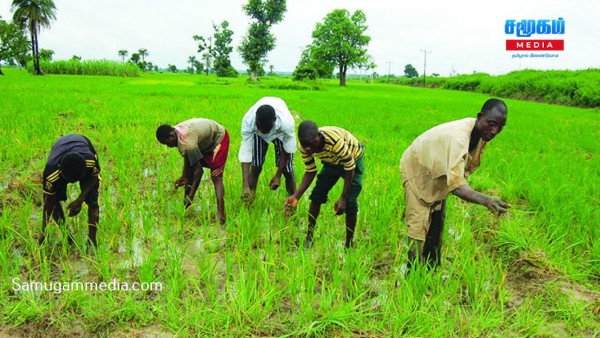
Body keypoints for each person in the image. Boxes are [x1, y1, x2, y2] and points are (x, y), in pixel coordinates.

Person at [400, 98, 511, 269]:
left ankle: (432, 269)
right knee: (418, 224)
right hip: (418, 168)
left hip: (438, 172)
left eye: (500, 127)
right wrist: (486, 200)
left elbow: (460, 171)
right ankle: (412, 272)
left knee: (437, 222)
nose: (495, 131)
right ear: (480, 117)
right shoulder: (460, 137)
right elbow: (457, 185)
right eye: (491, 124)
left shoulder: (481, 134)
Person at [285, 120, 365, 249]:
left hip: (353, 159)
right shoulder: (305, 146)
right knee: (317, 195)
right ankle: (309, 237)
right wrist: (296, 196)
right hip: (331, 161)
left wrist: (343, 198)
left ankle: (348, 244)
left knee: (350, 202)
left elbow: (350, 167)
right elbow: (310, 171)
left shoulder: (334, 141)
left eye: (311, 144)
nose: (308, 149)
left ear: (319, 136)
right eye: (305, 145)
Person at [156, 118, 229, 225]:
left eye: (166, 143)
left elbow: (199, 171)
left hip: (218, 138)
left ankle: (221, 216)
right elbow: (189, 156)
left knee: (216, 176)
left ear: (171, 136)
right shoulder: (178, 132)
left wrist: (192, 195)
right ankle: (186, 208)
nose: (168, 146)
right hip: (204, 141)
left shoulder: (187, 141)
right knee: (190, 172)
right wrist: (184, 176)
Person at [41, 134, 101, 247]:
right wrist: (43, 231)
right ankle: (66, 235)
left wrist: (80, 199)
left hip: (82, 142)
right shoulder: (51, 173)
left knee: (93, 200)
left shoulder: (90, 160)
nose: (73, 183)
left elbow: (94, 176)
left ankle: (92, 242)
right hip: (60, 149)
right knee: (54, 200)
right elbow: (48, 202)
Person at [239, 97, 297, 203]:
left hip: (279, 133)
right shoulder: (249, 122)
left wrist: (278, 175)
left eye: (265, 128)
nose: (263, 130)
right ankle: (249, 200)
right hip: (257, 135)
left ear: (274, 120)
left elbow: (288, 148)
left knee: (288, 170)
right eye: (260, 127)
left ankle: (292, 204)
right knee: (256, 166)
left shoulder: (286, 123)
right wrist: (245, 185)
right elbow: (246, 152)